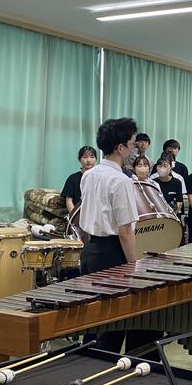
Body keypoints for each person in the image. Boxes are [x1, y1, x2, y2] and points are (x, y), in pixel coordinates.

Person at [79, 118, 143, 353]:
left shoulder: (89, 175)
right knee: (112, 325)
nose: (135, 148)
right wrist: (134, 267)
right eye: (132, 143)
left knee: (91, 320)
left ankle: (87, 365)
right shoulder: (121, 181)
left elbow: (85, 218)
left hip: (90, 251)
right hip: (112, 254)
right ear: (120, 147)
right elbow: (125, 231)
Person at [62, 146, 97, 213]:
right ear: (79, 159)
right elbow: (69, 201)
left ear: (96, 159)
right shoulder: (72, 178)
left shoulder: (101, 178)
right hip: (78, 214)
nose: (89, 160)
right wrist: (75, 216)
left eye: (92, 157)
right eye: (85, 157)